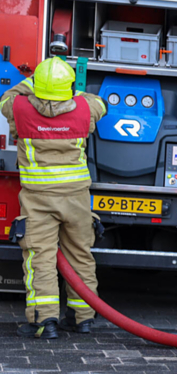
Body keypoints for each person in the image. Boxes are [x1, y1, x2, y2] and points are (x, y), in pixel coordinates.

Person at [0, 57, 107, 339]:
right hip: (76, 198)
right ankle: (82, 317)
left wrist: (32, 82)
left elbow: (6, 96)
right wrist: (73, 91)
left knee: (40, 259)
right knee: (80, 256)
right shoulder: (86, 108)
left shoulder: (19, 107)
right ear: (68, 86)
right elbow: (100, 102)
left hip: (38, 199)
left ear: (36, 85)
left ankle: (44, 322)